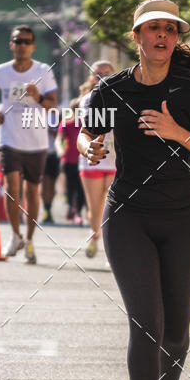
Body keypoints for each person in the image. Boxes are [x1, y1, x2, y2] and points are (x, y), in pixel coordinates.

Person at [77, 0, 190, 380]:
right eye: (153, 28)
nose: (163, 35)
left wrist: (174, 130)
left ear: (176, 37)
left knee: (176, 332)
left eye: (170, 28)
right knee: (145, 323)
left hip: (185, 216)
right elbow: (87, 131)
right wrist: (90, 147)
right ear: (137, 37)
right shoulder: (112, 89)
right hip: (128, 216)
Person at [0, 25, 58, 264]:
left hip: (36, 141)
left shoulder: (43, 71)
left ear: (33, 46)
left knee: (31, 192)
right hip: (9, 139)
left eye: (27, 41)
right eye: (18, 41)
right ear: (11, 45)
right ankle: (14, 235)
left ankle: (29, 239)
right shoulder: (1, 71)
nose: (22, 45)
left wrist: (37, 97)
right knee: (11, 186)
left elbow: (53, 106)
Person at [78, 60, 116, 258]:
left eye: (107, 73)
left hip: (116, 162)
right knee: (95, 210)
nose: (102, 77)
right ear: (92, 78)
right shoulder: (87, 100)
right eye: (98, 74)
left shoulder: (122, 97)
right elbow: (88, 130)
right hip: (92, 162)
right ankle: (94, 235)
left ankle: (113, 252)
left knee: (114, 210)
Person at [59, 98, 87, 224]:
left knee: (80, 187)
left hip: (83, 161)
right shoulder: (67, 124)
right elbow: (58, 139)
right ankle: (71, 206)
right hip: (69, 160)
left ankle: (78, 212)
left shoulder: (87, 124)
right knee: (71, 186)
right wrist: (60, 149)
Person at [41, 122, 60, 224]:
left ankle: (49, 208)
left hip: (54, 154)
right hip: (42, 153)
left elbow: (62, 132)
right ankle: (46, 209)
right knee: (44, 184)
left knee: (52, 185)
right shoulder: (37, 112)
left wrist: (53, 131)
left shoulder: (59, 114)